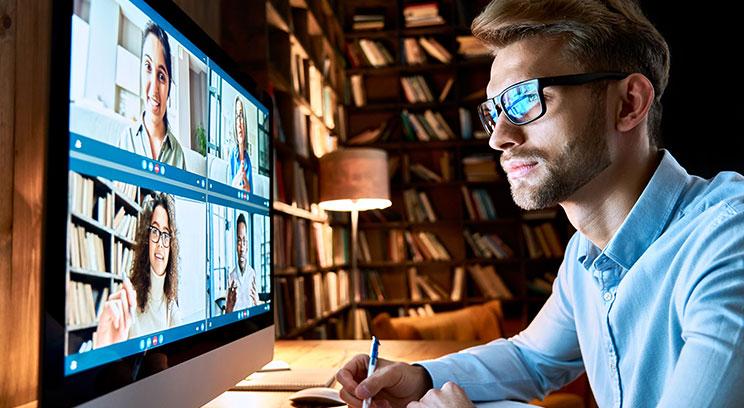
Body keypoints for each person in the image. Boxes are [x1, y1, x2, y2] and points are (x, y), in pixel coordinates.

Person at [336, 1, 744, 407]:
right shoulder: (585, 253)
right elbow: (531, 359)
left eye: (524, 99)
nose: (499, 137)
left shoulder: (729, 240)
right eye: (494, 111)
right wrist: (421, 377)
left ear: (628, 104)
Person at [94, 192, 181, 348]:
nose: (160, 243)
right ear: (147, 239)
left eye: (166, 234)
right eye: (155, 231)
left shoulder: (171, 307)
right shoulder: (128, 300)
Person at [117, 22, 187, 171]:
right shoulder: (126, 139)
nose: (154, 89)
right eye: (148, 67)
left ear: (169, 88)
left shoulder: (178, 155)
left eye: (161, 76)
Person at [225, 213, 258, 313]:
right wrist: (229, 307)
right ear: (236, 246)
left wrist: (257, 303)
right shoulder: (231, 277)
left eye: (244, 241)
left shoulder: (252, 274)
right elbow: (227, 314)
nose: (242, 248)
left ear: (247, 245)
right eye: (239, 241)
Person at [228, 96, 254, 192]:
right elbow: (228, 193)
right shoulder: (232, 155)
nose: (239, 123)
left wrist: (248, 187)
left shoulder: (248, 159)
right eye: (236, 117)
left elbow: (251, 194)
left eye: (241, 116)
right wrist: (236, 181)